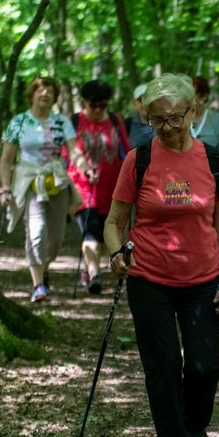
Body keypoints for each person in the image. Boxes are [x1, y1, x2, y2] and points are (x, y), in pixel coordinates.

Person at [104, 72, 219, 437]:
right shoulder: (138, 160)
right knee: (162, 369)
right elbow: (114, 222)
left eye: (174, 119)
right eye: (156, 121)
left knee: (202, 366)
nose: (166, 128)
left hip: (203, 279)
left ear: (193, 111)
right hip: (150, 280)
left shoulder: (213, 160)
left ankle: (195, 425)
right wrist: (115, 252)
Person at [0, 76, 89, 303]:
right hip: (29, 181)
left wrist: (86, 169)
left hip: (57, 181)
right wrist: (5, 188)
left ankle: (44, 267)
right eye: (39, 90)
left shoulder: (61, 122)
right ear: (32, 94)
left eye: (49, 90)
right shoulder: (18, 122)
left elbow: (74, 151)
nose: (44, 94)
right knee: (35, 232)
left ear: (54, 97)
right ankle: (38, 285)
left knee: (56, 240)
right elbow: (7, 160)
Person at [69, 80, 131, 294]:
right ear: (84, 102)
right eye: (92, 105)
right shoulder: (75, 121)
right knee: (91, 231)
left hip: (112, 188)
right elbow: (66, 154)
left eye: (102, 106)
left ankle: (89, 269)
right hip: (82, 188)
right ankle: (94, 274)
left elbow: (126, 150)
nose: (97, 110)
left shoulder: (115, 121)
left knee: (108, 231)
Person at [125, 84, 155, 149]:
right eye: (141, 100)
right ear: (134, 104)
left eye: (148, 100)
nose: (145, 104)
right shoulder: (127, 124)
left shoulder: (164, 122)